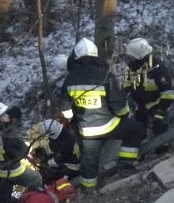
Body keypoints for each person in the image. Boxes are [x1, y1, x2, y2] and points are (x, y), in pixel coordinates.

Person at [59, 38, 146, 189]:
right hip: (110, 126)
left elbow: (66, 109)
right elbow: (119, 107)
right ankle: (125, 165)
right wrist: (124, 116)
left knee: (89, 161)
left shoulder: (69, 80)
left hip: (87, 131)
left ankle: (89, 189)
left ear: (76, 57)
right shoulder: (105, 76)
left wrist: (76, 124)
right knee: (136, 129)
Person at [122, 38, 174, 136]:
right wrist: (122, 96)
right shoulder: (132, 67)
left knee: (159, 123)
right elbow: (128, 84)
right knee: (136, 127)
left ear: (139, 56)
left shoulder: (158, 68)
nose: (130, 58)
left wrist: (161, 110)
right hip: (140, 106)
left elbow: (168, 93)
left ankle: (162, 149)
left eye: (132, 56)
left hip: (157, 104)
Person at [28, 118, 81, 184]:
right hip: (65, 159)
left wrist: (44, 163)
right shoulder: (61, 134)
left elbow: (58, 159)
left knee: (46, 174)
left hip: (70, 168)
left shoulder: (65, 143)